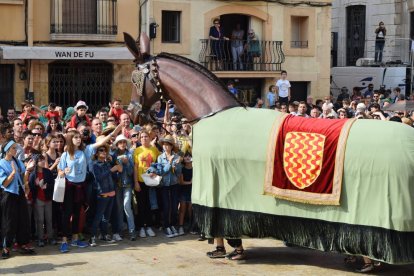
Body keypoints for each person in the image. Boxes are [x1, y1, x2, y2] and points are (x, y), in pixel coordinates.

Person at [0, 140, 36, 258]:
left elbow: (23, 176)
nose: (16, 150)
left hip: (19, 192)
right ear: (7, 150)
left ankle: (22, 244)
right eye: (14, 148)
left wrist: (27, 171)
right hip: (8, 194)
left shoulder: (17, 161)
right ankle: (6, 247)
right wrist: (13, 173)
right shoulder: (1, 163)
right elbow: (4, 184)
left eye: (16, 148)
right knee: (9, 221)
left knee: (23, 219)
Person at [89, 144, 122, 247]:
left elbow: (114, 177)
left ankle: (104, 235)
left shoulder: (107, 164)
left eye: (105, 151)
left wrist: (119, 171)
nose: (104, 152)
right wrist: (112, 170)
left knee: (106, 217)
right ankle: (92, 237)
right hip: (102, 193)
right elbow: (98, 178)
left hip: (111, 192)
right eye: (101, 150)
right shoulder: (94, 164)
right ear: (97, 153)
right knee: (98, 216)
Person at [151, 135, 182, 238]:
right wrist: (169, 163)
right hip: (164, 185)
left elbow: (178, 173)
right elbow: (161, 172)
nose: (165, 146)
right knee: (166, 206)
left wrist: (176, 166)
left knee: (174, 206)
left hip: (174, 184)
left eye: (168, 144)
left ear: (172, 146)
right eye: (164, 144)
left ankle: (173, 224)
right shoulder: (160, 157)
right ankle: (166, 226)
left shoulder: (177, 157)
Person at [133, 130, 160, 238]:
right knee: (141, 205)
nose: (144, 138)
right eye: (142, 137)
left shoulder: (154, 149)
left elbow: (158, 164)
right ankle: (141, 228)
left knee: (150, 205)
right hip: (140, 180)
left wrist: (156, 172)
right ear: (140, 139)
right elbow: (135, 167)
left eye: (146, 136)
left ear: (149, 138)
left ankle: (149, 226)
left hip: (151, 181)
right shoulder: (137, 150)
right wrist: (135, 182)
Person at [111, 134, 136, 241]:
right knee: (119, 208)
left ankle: (132, 231)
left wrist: (126, 164)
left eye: (124, 142)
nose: (122, 144)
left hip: (127, 185)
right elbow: (111, 171)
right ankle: (120, 231)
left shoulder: (129, 155)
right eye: (120, 142)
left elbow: (131, 172)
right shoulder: (113, 155)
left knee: (127, 206)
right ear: (117, 144)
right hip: (117, 185)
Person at [28, 154, 55, 247]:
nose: (43, 162)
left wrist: (46, 186)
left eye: (43, 160)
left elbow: (52, 184)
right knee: (39, 220)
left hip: (48, 199)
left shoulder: (48, 172)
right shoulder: (32, 174)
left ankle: (50, 237)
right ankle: (40, 238)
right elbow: (30, 188)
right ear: (36, 162)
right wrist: (36, 185)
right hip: (38, 199)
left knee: (49, 219)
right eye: (40, 160)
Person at [177, 151, 193, 235]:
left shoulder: (195, 168)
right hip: (183, 191)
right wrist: (190, 182)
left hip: (192, 192)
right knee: (182, 209)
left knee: (191, 209)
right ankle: (180, 226)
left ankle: (191, 226)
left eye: (189, 156)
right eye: (186, 156)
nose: (187, 157)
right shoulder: (182, 169)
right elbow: (181, 182)